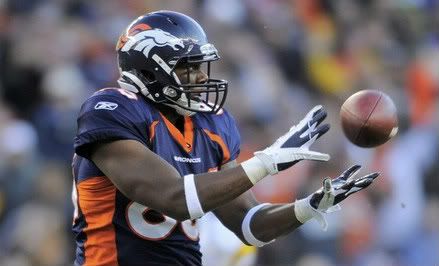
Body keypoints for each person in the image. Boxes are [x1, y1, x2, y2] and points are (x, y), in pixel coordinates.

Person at [71, 10, 379, 266]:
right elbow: (174, 198)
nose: (202, 77)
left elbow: (249, 224)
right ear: (149, 71)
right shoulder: (111, 109)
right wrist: (266, 162)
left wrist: (308, 207)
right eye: (188, 67)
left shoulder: (210, 122)